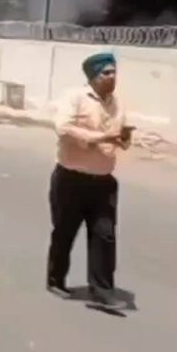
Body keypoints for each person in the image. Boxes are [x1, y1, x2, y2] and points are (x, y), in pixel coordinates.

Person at [47, 51, 131, 309]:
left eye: (114, 72)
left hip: (103, 182)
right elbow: (63, 128)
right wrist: (99, 138)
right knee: (65, 231)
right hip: (71, 179)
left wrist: (123, 139)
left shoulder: (117, 104)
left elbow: (121, 137)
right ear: (93, 76)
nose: (112, 77)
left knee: (104, 236)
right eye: (106, 73)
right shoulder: (74, 97)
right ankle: (55, 279)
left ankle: (102, 291)